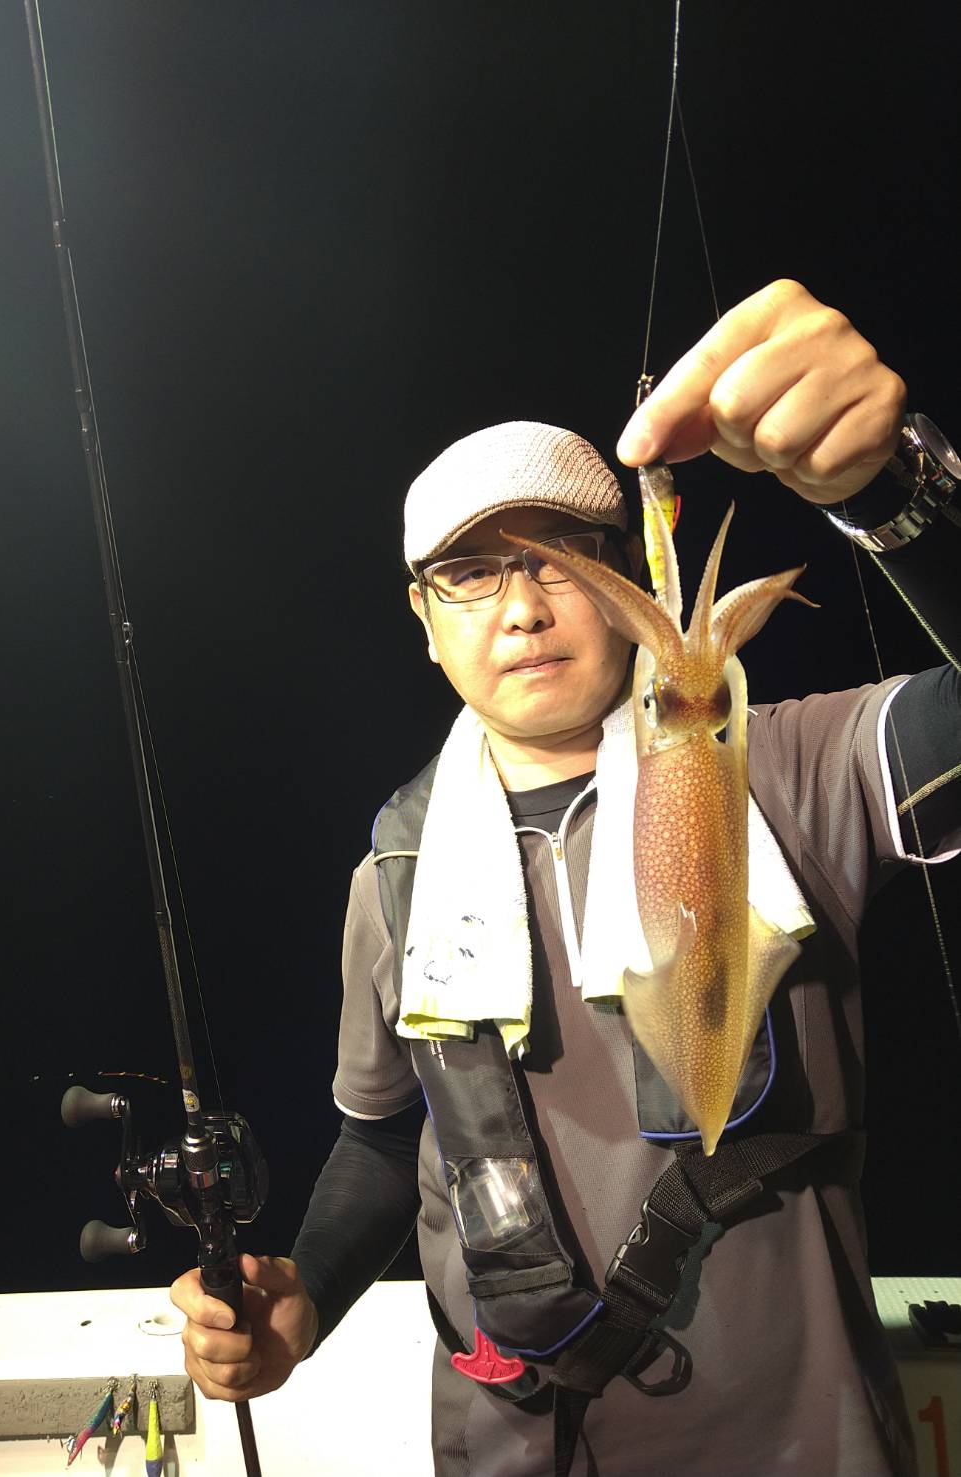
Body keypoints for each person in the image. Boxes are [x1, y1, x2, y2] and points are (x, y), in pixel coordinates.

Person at [170, 279, 960, 1475]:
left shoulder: (793, 769)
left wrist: (891, 492)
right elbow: (382, 1141)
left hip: (800, 1443)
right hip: (508, 1446)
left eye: (560, 558)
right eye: (469, 573)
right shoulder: (396, 871)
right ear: (423, 618)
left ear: (621, 577)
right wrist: (307, 1290)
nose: (523, 609)